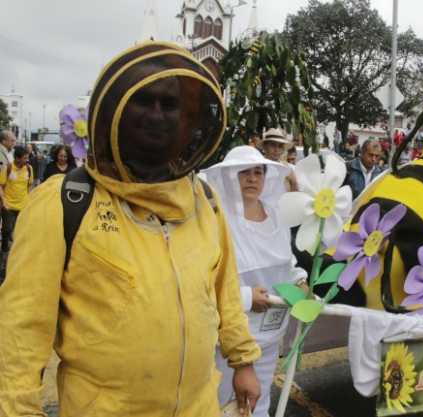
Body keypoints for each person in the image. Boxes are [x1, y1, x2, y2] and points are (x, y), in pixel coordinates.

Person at [0, 42, 260, 417]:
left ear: (187, 119)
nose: (156, 115)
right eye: (143, 100)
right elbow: (21, 328)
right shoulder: (64, 202)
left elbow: (225, 293)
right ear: (112, 111)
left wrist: (243, 362)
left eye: (169, 104)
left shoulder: (204, 201)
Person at [204, 145, 308, 417]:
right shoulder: (216, 219)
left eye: (258, 172)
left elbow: (289, 263)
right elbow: (204, 279)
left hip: (271, 334)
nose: (252, 179)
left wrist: (299, 281)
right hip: (231, 340)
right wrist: (247, 297)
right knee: (223, 404)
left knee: (258, 404)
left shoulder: (276, 216)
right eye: (244, 173)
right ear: (229, 177)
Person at [0, 145, 33, 280]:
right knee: (7, 231)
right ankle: (4, 260)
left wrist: (30, 202)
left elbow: (29, 187)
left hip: (23, 206)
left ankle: (17, 260)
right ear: (18, 158)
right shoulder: (8, 168)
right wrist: (3, 201)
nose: (27, 159)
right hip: (8, 207)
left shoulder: (29, 169)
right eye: (25, 157)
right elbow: (1, 186)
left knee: (20, 233)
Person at [260, 127, 297, 192]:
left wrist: (293, 182)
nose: (276, 150)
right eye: (273, 145)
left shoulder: (289, 168)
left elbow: (295, 196)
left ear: (283, 149)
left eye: (280, 146)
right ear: (265, 146)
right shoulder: (257, 167)